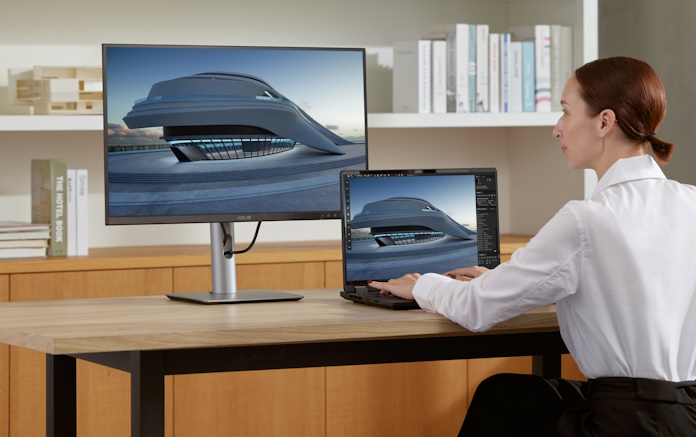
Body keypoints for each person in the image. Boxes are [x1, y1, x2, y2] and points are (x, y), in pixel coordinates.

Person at [369, 56, 696, 436]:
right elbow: (638, 290)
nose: (557, 129)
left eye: (566, 112)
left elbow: (477, 309)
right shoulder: (691, 201)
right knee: (509, 395)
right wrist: (507, 280)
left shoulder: (586, 219)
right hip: (686, 416)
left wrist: (422, 284)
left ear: (605, 122)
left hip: (625, 423)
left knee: (505, 401)